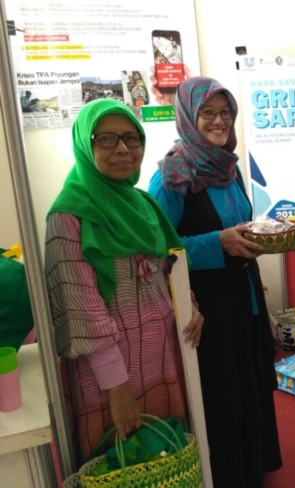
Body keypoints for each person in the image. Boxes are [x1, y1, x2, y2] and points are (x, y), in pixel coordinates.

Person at [44, 98, 204, 465]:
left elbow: (173, 268)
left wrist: (191, 307)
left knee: (167, 457)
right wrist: (117, 387)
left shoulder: (144, 205)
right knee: (120, 462)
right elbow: (80, 306)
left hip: (163, 359)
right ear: (85, 143)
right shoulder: (69, 216)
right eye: (106, 139)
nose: (122, 149)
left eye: (132, 139)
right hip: (109, 378)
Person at [148, 76, 282, 487]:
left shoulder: (229, 165)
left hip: (243, 295)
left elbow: (239, 222)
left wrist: (252, 238)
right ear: (189, 115)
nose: (219, 121)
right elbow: (156, 249)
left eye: (225, 112)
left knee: (249, 378)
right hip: (205, 304)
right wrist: (217, 242)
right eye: (208, 112)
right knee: (222, 389)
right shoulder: (173, 174)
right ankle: (227, 474)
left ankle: (253, 463)